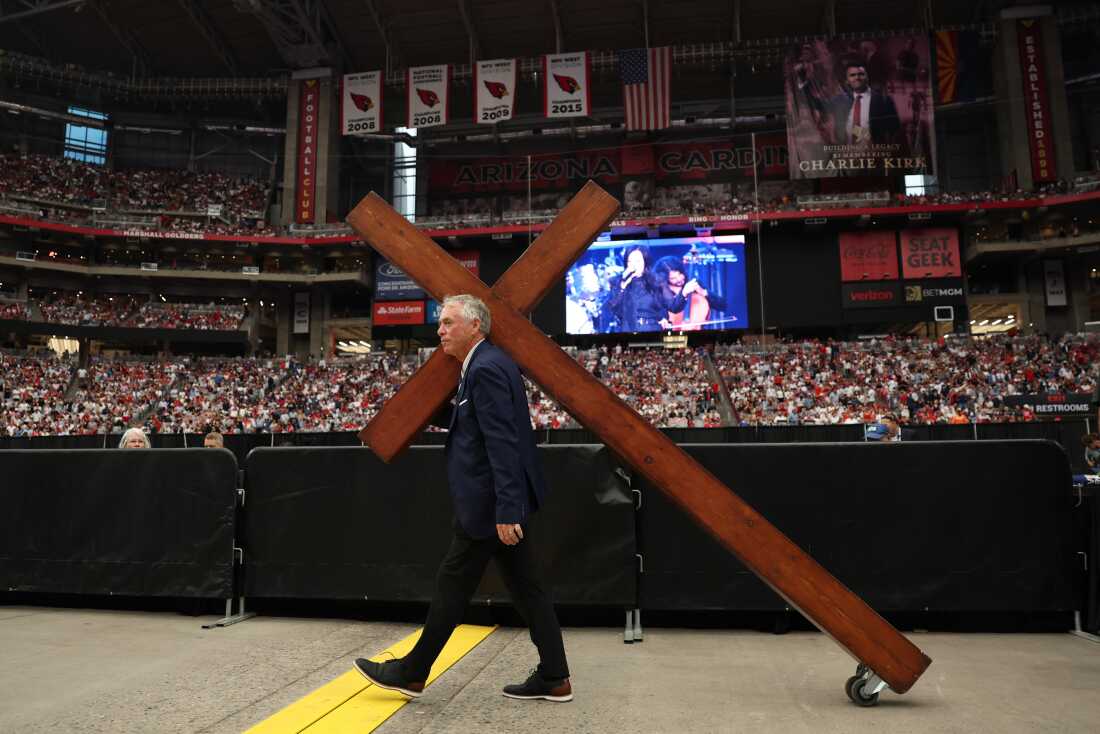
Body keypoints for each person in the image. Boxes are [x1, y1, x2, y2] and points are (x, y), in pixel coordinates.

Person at [354, 294, 571, 703]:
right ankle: (555, 676)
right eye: (440, 323)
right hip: (498, 502)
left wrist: (508, 509)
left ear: (476, 326)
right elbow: (475, 421)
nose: (440, 330)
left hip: (490, 506)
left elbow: (502, 442)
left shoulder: (485, 368)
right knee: (528, 589)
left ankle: (413, 672)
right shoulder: (484, 365)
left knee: (452, 586)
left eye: (449, 322)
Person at [801, 60, 903, 149]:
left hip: (874, 156)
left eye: (861, 74)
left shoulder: (883, 100)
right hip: (847, 157)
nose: (857, 77)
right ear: (847, 81)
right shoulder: (840, 100)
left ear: (867, 77)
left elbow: (895, 130)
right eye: (852, 75)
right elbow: (818, 104)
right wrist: (803, 84)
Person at [604, 244, 665, 333]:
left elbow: (661, 306)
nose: (633, 265)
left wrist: (664, 317)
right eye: (630, 262)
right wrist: (622, 286)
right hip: (627, 330)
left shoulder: (654, 281)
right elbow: (612, 308)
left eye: (637, 261)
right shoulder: (617, 282)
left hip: (651, 330)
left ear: (645, 262)